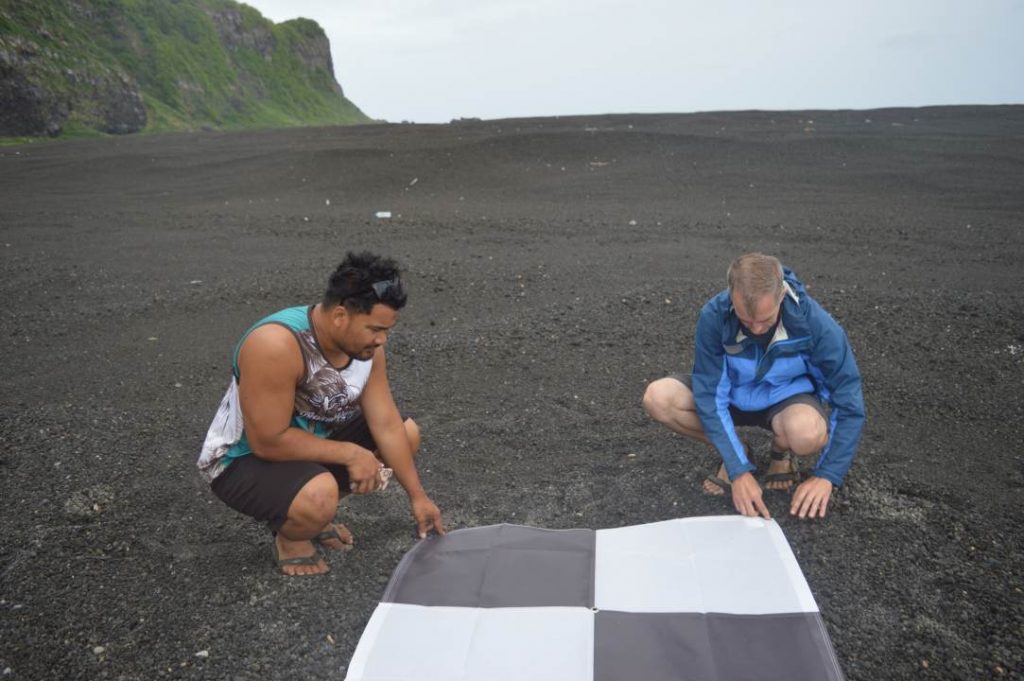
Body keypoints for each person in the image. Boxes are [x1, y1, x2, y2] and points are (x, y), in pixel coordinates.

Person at [197, 252, 444, 576]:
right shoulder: (276, 345)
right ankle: (292, 533)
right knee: (319, 493)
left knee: (405, 433)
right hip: (239, 460)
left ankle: (312, 513)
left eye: (387, 330)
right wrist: (351, 453)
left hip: (308, 445)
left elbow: (384, 423)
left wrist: (418, 497)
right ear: (341, 315)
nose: (382, 339)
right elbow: (267, 442)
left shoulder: (367, 350)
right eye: (374, 328)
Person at [642, 253, 864, 520]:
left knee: (807, 434)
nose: (757, 330)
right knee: (658, 398)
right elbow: (710, 397)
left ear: (782, 295)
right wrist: (738, 470)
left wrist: (827, 476)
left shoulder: (816, 326)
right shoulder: (714, 316)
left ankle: (782, 450)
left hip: (786, 399)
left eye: (766, 320)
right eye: (746, 321)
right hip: (732, 396)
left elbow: (848, 402)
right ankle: (738, 449)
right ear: (731, 295)